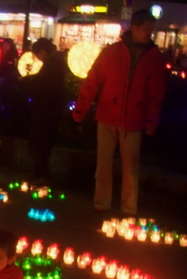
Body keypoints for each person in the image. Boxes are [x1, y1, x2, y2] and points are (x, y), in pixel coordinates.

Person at [72, 9, 167, 215]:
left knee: (131, 167)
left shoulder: (153, 58)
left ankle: (128, 208)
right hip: (108, 115)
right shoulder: (113, 52)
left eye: (151, 29)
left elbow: (156, 93)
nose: (148, 33)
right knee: (104, 164)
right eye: (145, 28)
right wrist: (81, 107)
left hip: (133, 119)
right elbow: (93, 80)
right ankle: (102, 203)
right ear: (134, 28)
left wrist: (151, 121)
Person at [28, 38, 68, 184]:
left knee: (40, 141)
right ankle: (39, 171)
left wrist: (31, 83)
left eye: (37, 54)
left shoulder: (52, 65)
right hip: (50, 108)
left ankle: (42, 172)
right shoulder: (56, 63)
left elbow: (45, 87)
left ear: (42, 52)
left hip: (46, 108)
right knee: (43, 142)